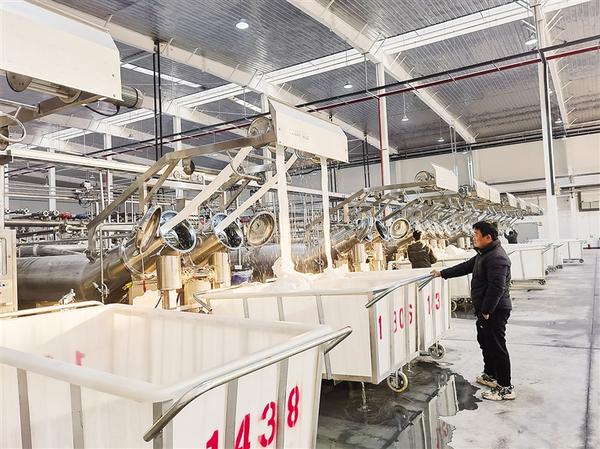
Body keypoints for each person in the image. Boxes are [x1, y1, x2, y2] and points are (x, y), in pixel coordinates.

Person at [431, 221, 515, 401]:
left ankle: (505, 387)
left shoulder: (497, 258)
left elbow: (497, 288)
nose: (473, 238)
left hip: (495, 310)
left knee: (497, 346)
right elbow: (464, 267)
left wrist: (486, 310)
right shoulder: (483, 254)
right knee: (485, 342)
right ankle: (490, 375)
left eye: (476, 235)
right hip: (486, 309)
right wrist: (442, 273)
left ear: (488, 237)